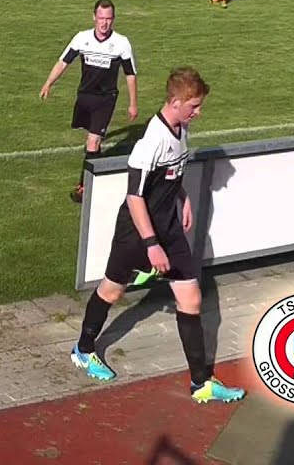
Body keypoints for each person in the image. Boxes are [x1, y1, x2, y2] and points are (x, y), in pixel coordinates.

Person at [69, 67, 245, 405]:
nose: (198, 112)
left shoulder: (181, 129)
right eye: (194, 105)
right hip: (136, 233)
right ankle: (83, 349)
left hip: (170, 229)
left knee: (191, 300)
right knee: (112, 290)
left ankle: (201, 383)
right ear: (176, 102)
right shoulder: (151, 141)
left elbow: (171, 174)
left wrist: (183, 198)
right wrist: (151, 245)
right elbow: (135, 197)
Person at [40, 0, 138, 203]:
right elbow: (64, 61)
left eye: (108, 19)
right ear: (94, 17)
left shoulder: (121, 43)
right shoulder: (81, 38)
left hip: (106, 99)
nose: (104, 23)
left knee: (92, 141)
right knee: (92, 141)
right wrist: (49, 82)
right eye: (101, 18)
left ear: (114, 19)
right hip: (84, 97)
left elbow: (130, 74)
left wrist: (132, 103)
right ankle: (96, 166)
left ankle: (86, 186)